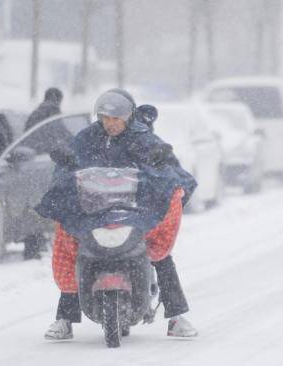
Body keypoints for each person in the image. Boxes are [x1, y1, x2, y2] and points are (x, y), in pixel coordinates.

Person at [43, 88, 198, 340]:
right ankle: (64, 319)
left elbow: (167, 169)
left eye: (116, 118)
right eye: (105, 118)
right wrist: (66, 163)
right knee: (72, 246)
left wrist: (162, 166)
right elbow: (69, 162)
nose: (110, 124)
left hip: (134, 211)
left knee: (160, 256)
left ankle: (176, 317)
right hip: (94, 210)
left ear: (129, 117)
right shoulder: (90, 136)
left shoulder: (142, 137)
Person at [23, 87, 64, 260]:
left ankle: (33, 244)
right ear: (58, 99)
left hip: (32, 163)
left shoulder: (35, 113)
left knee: (35, 204)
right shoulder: (53, 111)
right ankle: (41, 241)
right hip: (48, 163)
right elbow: (61, 132)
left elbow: (28, 136)